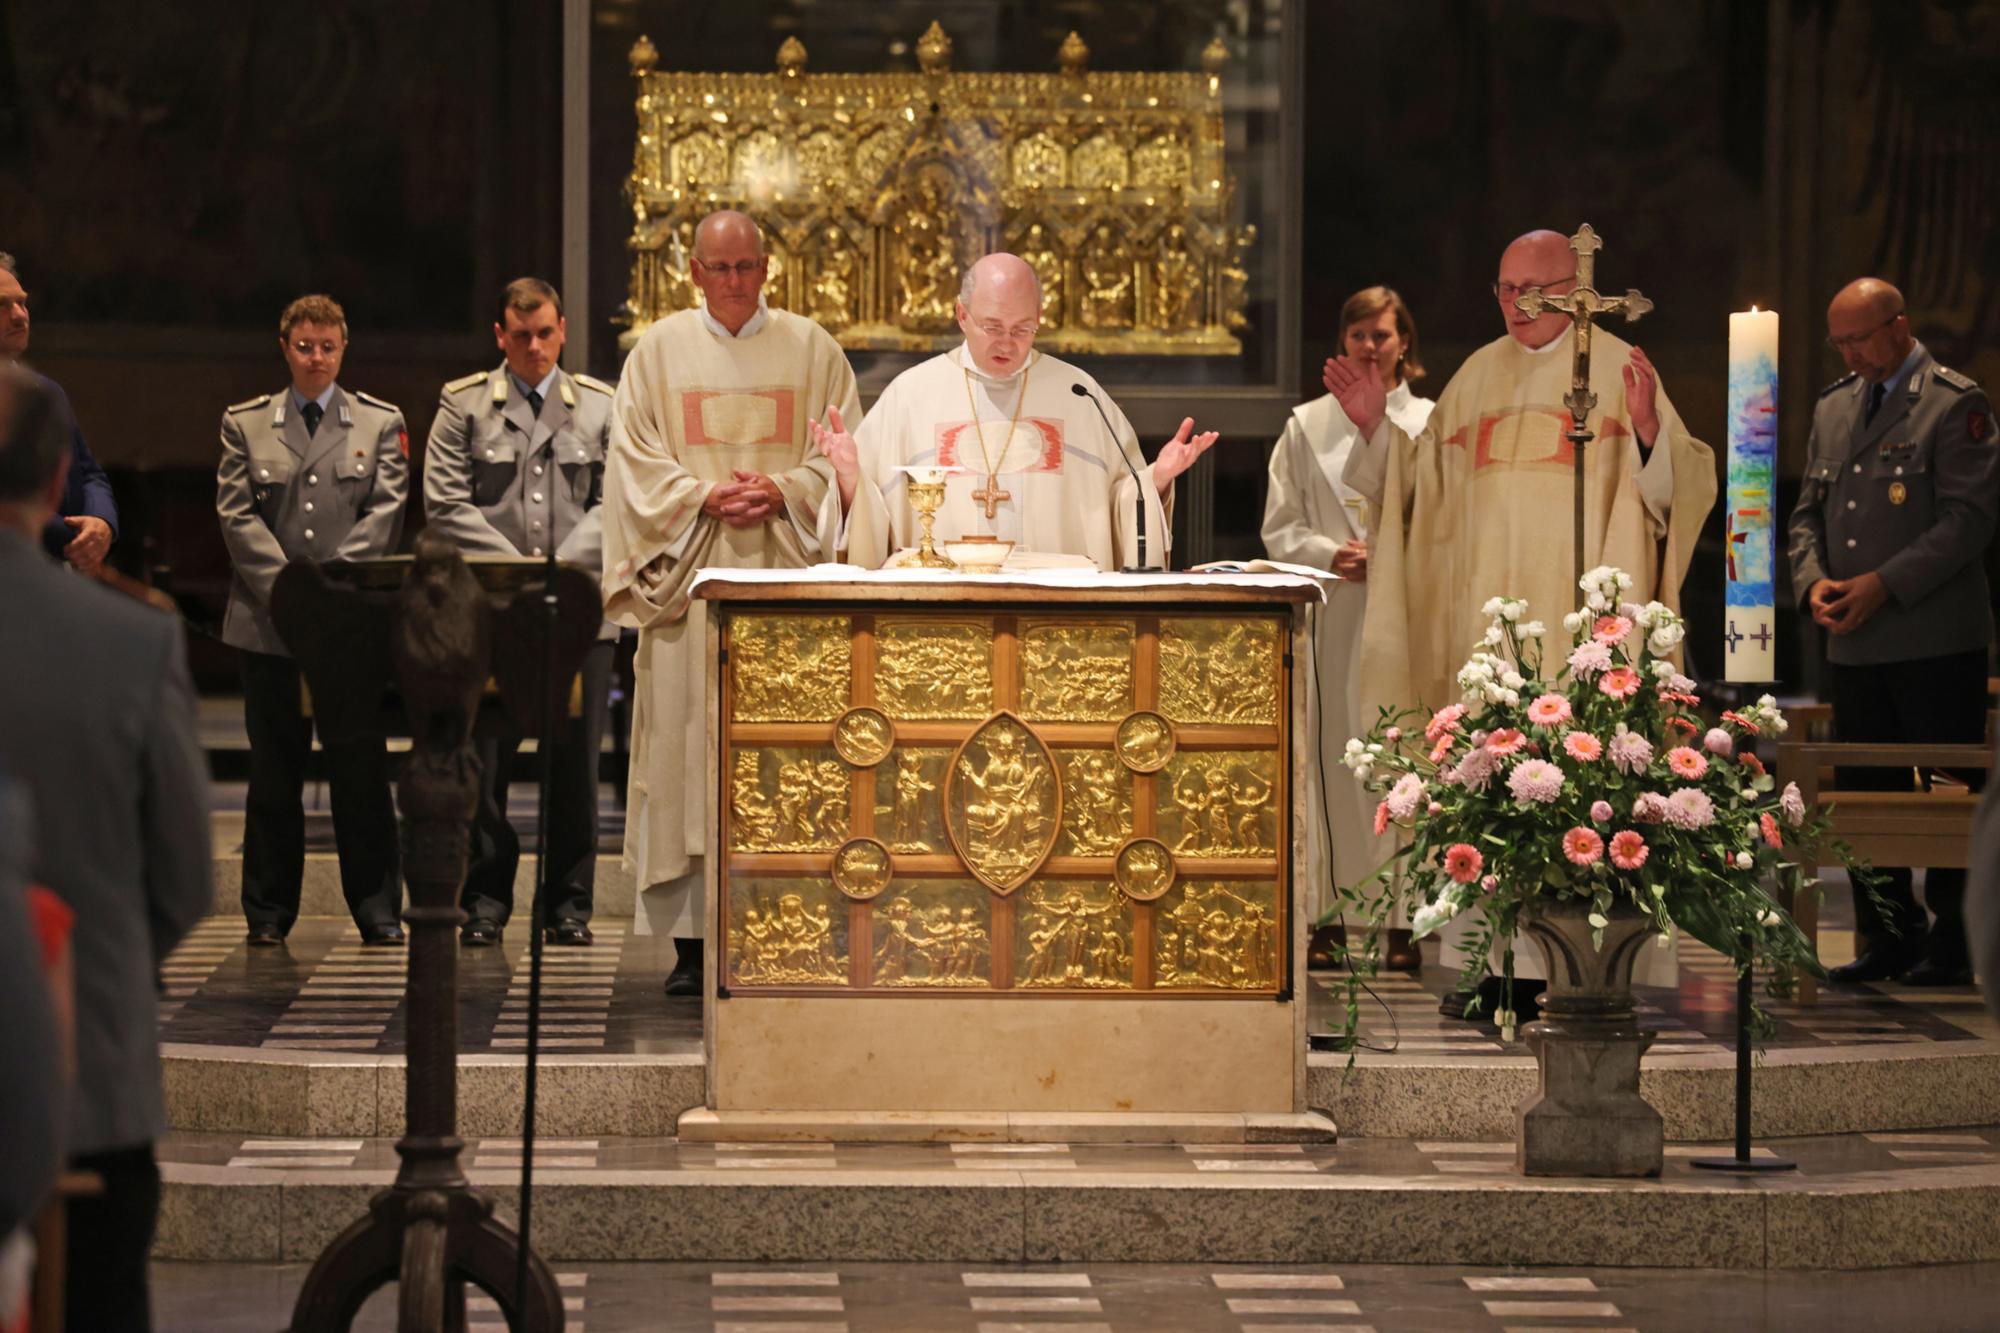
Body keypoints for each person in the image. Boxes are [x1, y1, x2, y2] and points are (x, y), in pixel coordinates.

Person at [1324, 229, 1716, 1002]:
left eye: (1527, 290)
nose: (1511, 305)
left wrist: (1645, 432)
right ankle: (1490, 969)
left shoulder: (1616, 367)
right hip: (1487, 634)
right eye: (1501, 289)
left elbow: (1675, 488)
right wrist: (1376, 429)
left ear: (1575, 289)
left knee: (1572, 782)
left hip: (1574, 636)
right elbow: (1415, 492)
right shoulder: (1475, 377)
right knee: (1488, 788)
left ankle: (1578, 970)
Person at [0, 364, 212, 1333]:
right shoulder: (132, 642)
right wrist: (95, 973)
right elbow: (183, 877)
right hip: (91, 1079)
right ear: (55, 485)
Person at [600, 210, 855, 996]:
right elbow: (634, 462)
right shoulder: (657, 354)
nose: (734, 281)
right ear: (694, 273)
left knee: (782, 762)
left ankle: (783, 923)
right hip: (691, 590)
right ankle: (691, 946)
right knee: (688, 758)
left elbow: (844, 455)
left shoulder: (814, 350)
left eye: (746, 267)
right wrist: (702, 497)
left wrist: (784, 489)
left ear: (768, 268)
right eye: (719, 268)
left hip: (785, 588)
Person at [1787, 278, 1998, 987]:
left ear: (1899, 325)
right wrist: (1813, 580)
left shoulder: (1953, 401)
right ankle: (1888, 933)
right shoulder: (1836, 405)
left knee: (1946, 793)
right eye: (1839, 341)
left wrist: (1883, 584)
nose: (1850, 353)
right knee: (1864, 792)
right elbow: (1807, 513)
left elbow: (1968, 522)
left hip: (1935, 640)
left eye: (1861, 338)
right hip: (1854, 639)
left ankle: (1958, 939)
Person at [812, 252, 1218, 570]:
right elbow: (868, 519)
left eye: (1023, 329)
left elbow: (1120, 505)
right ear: (961, 315)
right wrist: (849, 477)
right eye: (992, 327)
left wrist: (1157, 479)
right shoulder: (911, 396)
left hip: (1053, 615)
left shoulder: (1077, 394)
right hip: (942, 615)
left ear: (1039, 319)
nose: (1007, 342)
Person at [424, 277, 615, 948]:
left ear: (563, 330)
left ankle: (567, 903)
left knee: (574, 766)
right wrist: (524, 574)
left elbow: (617, 504)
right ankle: (485, 899)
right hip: (489, 611)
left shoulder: (599, 407)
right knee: (487, 762)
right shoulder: (463, 404)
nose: (534, 347)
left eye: (545, 334)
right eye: (520, 335)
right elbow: (446, 505)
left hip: (580, 611)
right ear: (500, 336)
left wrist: (559, 571)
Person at [216, 294, 408, 946]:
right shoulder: (246, 424)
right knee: (274, 771)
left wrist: (331, 593)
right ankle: (268, 912)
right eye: (305, 346)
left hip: (351, 626)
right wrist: (294, 595)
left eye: (327, 346)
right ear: (285, 348)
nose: (316, 357)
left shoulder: (379, 423)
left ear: (343, 348)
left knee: (360, 769)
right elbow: (238, 518)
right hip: (270, 625)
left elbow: (385, 514)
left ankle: (379, 906)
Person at [1262, 285, 1434, 972]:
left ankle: (1405, 923)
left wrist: (1392, 551)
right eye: (1358, 334)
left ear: (1404, 343)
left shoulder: (1428, 421)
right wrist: (1332, 552)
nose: (1370, 347)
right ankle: (1328, 918)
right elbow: (1280, 526)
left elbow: (1443, 516)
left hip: (1403, 614)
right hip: (1334, 612)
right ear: (1342, 342)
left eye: (1382, 335)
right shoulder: (1307, 425)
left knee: (1403, 759)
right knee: (1333, 764)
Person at [0, 252, 118, 572]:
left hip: (54, 571)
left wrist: (101, 522)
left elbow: (89, 473)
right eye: (3, 305)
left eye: (22, 303)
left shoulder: (47, 391)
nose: (20, 315)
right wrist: (77, 537)